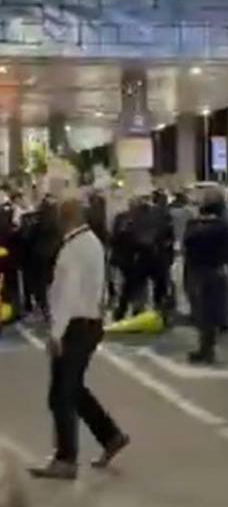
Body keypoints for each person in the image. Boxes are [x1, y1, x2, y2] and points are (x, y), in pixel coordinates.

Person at [29, 198, 129, 480]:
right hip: (88, 323)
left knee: (60, 395)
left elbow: (68, 295)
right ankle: (111, 436)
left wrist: (56, 333)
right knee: (73, 389)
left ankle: (66, 459)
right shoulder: (92, 243)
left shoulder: (73, 250)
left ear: (65, 218)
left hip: (75, 326)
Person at [183, 188, 228, 364]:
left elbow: (187, 247)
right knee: (214, 310)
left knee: (204, 313)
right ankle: (221, 340)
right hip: (216, 270)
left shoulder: (194, 225)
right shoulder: (225, 227)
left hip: (199, 271)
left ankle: (209, 348)